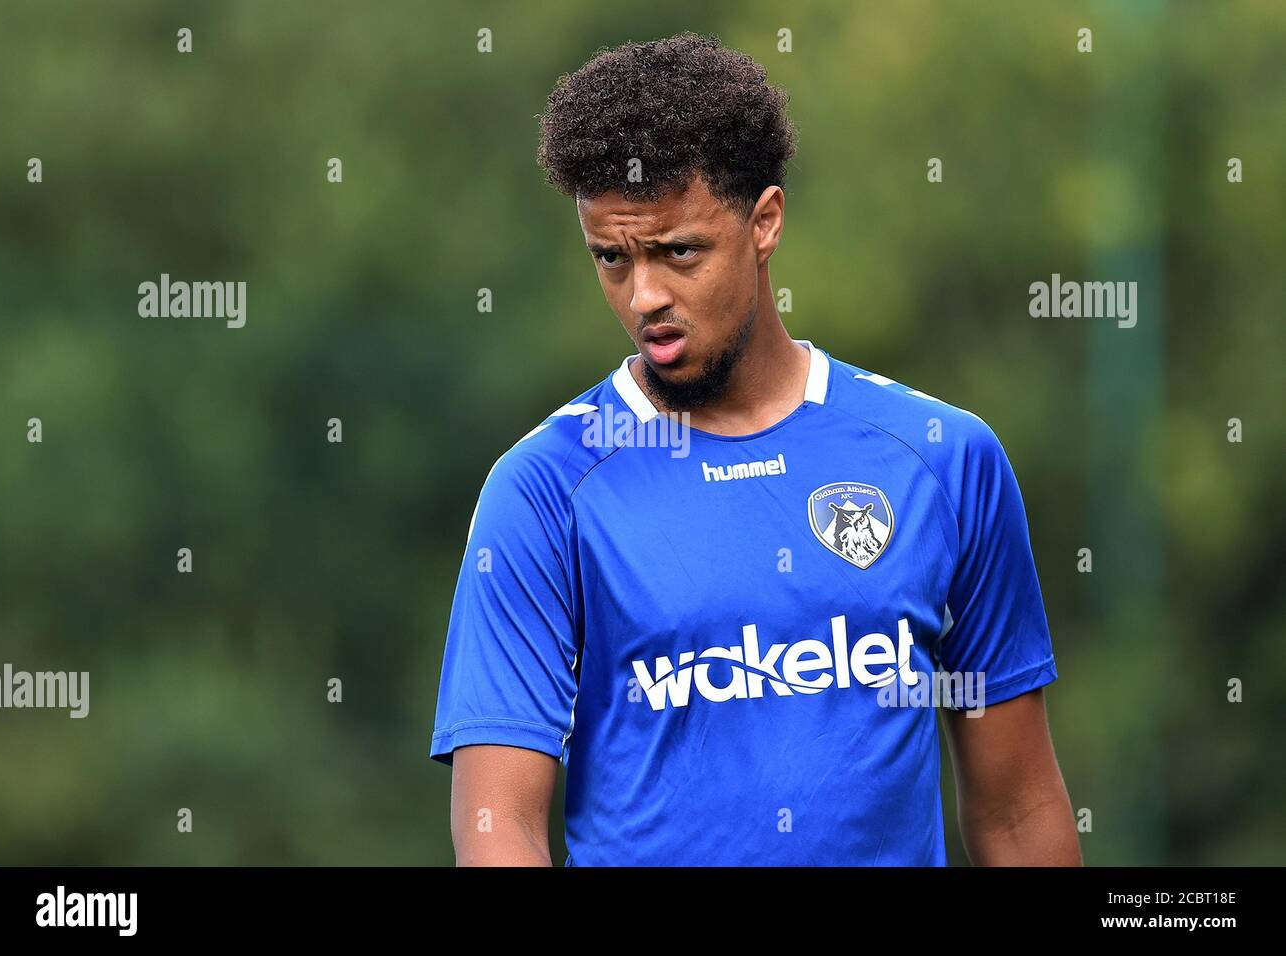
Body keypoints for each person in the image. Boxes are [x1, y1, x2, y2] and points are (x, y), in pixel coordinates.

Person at [429, 32, 1080, 866]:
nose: (645, 296)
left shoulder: (941, 458)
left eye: (679, 251)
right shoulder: (544, 489)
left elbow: (1019, 814)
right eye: (611, 259)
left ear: (764, 222)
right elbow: (499, 830)